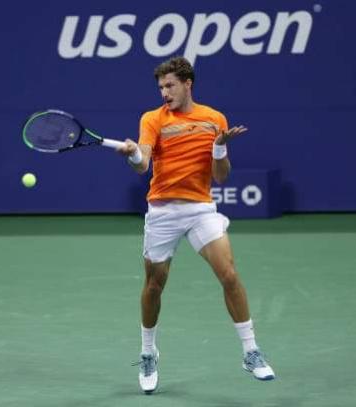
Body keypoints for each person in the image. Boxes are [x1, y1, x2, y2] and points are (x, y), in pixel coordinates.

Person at [118, 56, 275, 394]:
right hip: (162, 211)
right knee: (154, 285)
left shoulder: (214, 118)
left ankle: (250, 351)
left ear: (188, 83)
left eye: (170, 85)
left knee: (229, 274)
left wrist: (219, 148)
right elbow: (142, 164)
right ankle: (148, 352)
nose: (164, 92)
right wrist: (132, 154)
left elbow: (221, 176)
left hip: (201, 208)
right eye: (160, 87)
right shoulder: (152, 119)